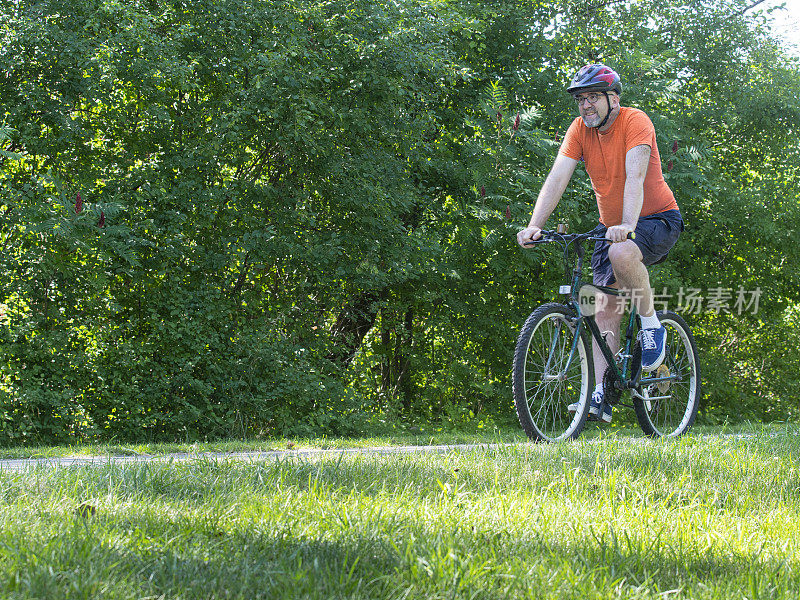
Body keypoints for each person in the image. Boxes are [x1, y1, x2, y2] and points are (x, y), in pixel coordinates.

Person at [516, 64, 683, 424]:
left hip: (657, 218)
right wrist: (534, 225)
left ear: (613, 99)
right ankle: (601, 392)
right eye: (580, 99)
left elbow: (636, 175)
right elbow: (558, 176)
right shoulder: (579, 130)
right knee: (601, 304)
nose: (585, 105)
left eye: (592, 97)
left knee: (621, 251)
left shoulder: (635, 121)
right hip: (611, 227)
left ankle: (652, 326)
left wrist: (627, 224)